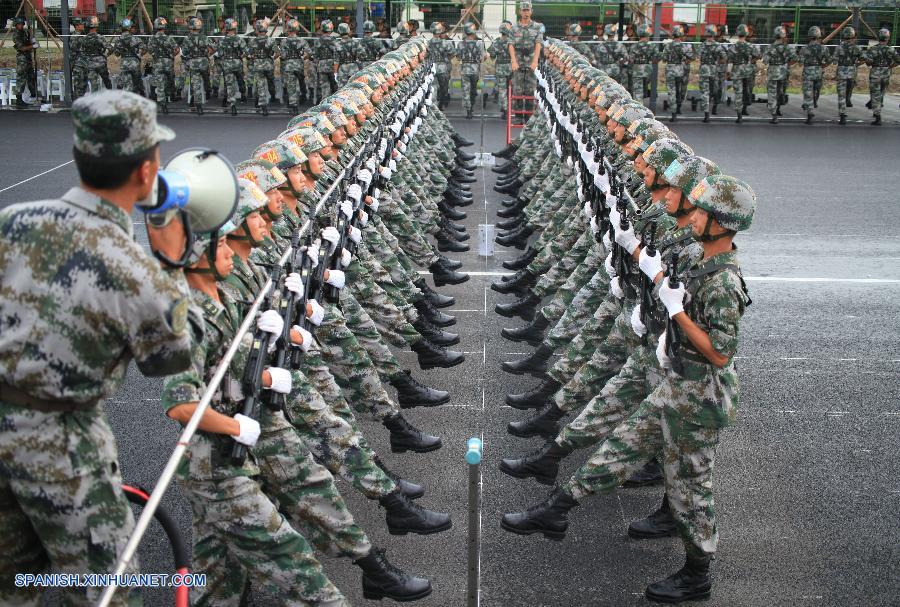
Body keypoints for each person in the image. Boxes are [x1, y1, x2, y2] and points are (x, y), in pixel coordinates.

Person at [502, 166, 756, 604]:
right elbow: (670, 284)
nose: (694, 218)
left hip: (700, 400)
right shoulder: (700, 259)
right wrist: (655, 278)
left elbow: (719, 353)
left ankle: (698, 573)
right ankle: (557, 508)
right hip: (676, 383)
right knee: (622, 445)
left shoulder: (725, 282)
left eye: (704, 214)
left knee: (691, 490)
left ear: (723, 223)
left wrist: (676, 314)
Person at [0, 90, 197, 607]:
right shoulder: (133, 268)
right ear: (147, 169)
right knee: (102, 588)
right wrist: (172, 261)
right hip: (62, 443)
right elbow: (172, 356)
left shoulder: (13, 220)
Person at [508, 0, 543, 121]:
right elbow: (511, 45)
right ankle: (518, 115)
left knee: (530, 90)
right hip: (518, 61)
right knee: (517, 90)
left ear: (531, 11)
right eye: (524, 10)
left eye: (528, 10)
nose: (526, 13)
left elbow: (538, 44)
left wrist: (535, 61)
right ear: (520, 12)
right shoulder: (514, 28)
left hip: (531, 62)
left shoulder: (537, 27)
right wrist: (513, 61)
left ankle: (528, 115)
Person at [863, 28, 898, 126]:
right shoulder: (891, 49)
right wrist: (890, 66)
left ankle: (877, 116)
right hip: (886, 74)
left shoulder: (873, 49)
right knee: (882, 92)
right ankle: (877, 105)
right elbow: (898, 60)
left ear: (879, 37)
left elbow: (868, 63)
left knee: (875, 94)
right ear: (887, 38)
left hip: (875, 74)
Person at [762, 25, 796, 124]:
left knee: (772, 93)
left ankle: (774, 115)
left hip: (773, 72)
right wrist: (786, 64)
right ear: (783, 35)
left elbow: (765, 61)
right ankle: (779, 108)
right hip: (784, 72)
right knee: (781, 91)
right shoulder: (788, 47)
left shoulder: (770, 47)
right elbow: (795, 58)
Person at [146, 17, 179, 113]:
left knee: (160, 83)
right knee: (169, 80)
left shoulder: (152, 39)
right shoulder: (169, 38)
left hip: (157, 63)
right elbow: (177, 50)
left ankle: (162, 103)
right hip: (168, 62)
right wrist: (171, 56)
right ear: (164, 26)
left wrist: (155, 56)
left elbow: (150, 50)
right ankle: (170, 95)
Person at [661, 24, 694, 121]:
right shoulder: (684, 46)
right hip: (680, 69)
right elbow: (691, 57)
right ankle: (679, 107)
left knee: (671, 91)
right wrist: (686, 60)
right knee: (679, 90)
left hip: (670, 70)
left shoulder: (668, 46)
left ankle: (673, 113)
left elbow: (664, 59)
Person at [798, 26, 830, 125]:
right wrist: (821, 66)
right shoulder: (823, 48)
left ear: (809, 36)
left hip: (808, 71)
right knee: (817, 90)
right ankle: (815, 101)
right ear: (819, 36)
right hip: (819, 71)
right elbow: (829, 60)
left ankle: (810, 113)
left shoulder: (804, 49)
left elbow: (800, 62)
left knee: (808, 93)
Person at [182, 16, 213, 114]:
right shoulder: (204, 37)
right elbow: (213, 47)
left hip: (193, 63)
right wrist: (208, 54)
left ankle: (198, 105)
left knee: (196, 85)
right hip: (204, 62)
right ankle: (208, 89)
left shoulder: (187, 39)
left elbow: (185, 52)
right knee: (206, 78)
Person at [247, 20, 279, 114]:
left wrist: (254, 57)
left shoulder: (253, 41)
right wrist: (272, 58)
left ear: (257, 30)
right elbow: (277, 53)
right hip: (268, 64)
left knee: (260, 84)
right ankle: (273, 95)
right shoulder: (271, 40)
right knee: (270, 81)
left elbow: (248, 53)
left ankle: (262, 104)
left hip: (258, 65)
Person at [833, 26, 863, 125]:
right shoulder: (857, 48)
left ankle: (842, 115)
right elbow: (865, 58)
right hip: (852, 72)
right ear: (853, 36)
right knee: (849, 90)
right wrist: (856, 64)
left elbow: (834, 61)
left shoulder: (839, 48)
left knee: (841, 94)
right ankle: (848, 99)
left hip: (841, 71)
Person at [729, 24, 758, 123]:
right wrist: (750, 61)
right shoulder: (750, 46)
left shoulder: (733, 46)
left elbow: (729, 60)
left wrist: (728, 72)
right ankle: (745, 107)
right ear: (746, 33)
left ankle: (739, 115)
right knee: (747, 90)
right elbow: (757, 56)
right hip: (747, 70)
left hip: (737, 70)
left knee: (738, 93)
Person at [697, 24, 726, 122]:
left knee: (705, 92)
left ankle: (706, 114)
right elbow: (724, 58)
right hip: (714, 69)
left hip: (704, 69)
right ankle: (714, 107)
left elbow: (698, 57)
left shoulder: (702, 45)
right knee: (715, 90)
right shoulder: (718, 45)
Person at [217, 18, 245, 116]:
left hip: (227, 64)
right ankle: (243, 92)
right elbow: (244, 51)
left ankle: (232, 104)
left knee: (229, 84)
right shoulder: (239, 39)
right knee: (240, 79)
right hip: (237, 62)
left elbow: (220, 53)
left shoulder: (222, 40)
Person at [280, 18, 309, 112]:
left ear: (288, 29)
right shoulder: (302, 41)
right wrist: (303, 58)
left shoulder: (284, 41)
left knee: (291, 86)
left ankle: (294, 105)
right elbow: (309, 52)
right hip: (299, 64)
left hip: (288, 65)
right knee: (301, 82)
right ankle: (303, 94)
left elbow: (283, 56)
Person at [458, 23, 485, 119]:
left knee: (465, 90)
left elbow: (458, 57)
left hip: (465, 68)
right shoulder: (479, 43)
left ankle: (468, 110)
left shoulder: (461, 43)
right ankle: (472, 105)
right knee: (473, 89)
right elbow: (483, 58)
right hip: (475, 69)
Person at [110, 18, 144, 95]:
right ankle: (142, 96)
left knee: (126, 83)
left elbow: (117, 54)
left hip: (124, 63)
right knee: (138, 81)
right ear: (129, 27)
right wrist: (140, 54)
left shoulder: (118, 40)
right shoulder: (136, 38)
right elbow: (144, 48)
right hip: (135, 62)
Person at [627, 24, 660, 103]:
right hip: (648, 70)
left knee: (637, 93)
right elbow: (657, 58)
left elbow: (631, 60)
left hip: (636, 70)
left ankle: (639, 110)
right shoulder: (652, 46)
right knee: (646, 88)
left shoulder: (634, 46)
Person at [488, 21, 514, 118]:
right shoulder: (512, 42)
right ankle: (511, 108)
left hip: (500, 67)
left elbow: (492, 56)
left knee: (502, 89)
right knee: (511, 89)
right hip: (510, 67)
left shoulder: (496, 42)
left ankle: (504, 109)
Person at [428, 22, 455, 109]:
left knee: (433, 87)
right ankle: (441, 104)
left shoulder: (427, 43)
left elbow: (425, 56)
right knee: (444, 87)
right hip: (443, 67)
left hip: (432, 67)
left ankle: (434, 106)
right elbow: (453, 53)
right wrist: (446, 59)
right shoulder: (446, 43)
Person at [11, 16, 38, 107]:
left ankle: (34, 95)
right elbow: (21, 48)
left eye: (22, 24)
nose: (21, 26)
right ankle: (19, 99)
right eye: (19, 24)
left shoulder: (24, 33)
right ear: (16, 25)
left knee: (31, 76)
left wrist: (32, 38)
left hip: (28, 57)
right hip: (22, 58)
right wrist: (32, 46)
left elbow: (29, 43)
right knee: (21, 78)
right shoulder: (16, 35)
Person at [312, 19, 339, 103]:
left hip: (321, 65)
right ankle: (335, 103)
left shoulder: (318, 40)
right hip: (332, 65)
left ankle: (324, 104)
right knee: (335, 86)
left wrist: (317, 65)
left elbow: (315, 55)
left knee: (324, 86)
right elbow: (337, 53)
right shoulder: (334, 40)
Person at [82, 16, 110, 95]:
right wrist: (105, 55)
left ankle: (95, 101)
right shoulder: (101, 38)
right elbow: (110, 48)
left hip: (90, 63)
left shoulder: (85, 39)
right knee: (107, 81)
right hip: (101, 63)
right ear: (97, 26)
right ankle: (111, 98)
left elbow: (82, 51)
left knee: (94, 84)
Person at [69, 17, 86, 99]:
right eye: (81, 24)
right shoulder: (75, 36)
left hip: (83, 63)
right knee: (78, 83)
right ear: (76, 26)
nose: (83, 25)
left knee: (83, 83)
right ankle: (77, 101)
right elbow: (73, 50)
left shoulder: (82, 35)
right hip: (77, 64)